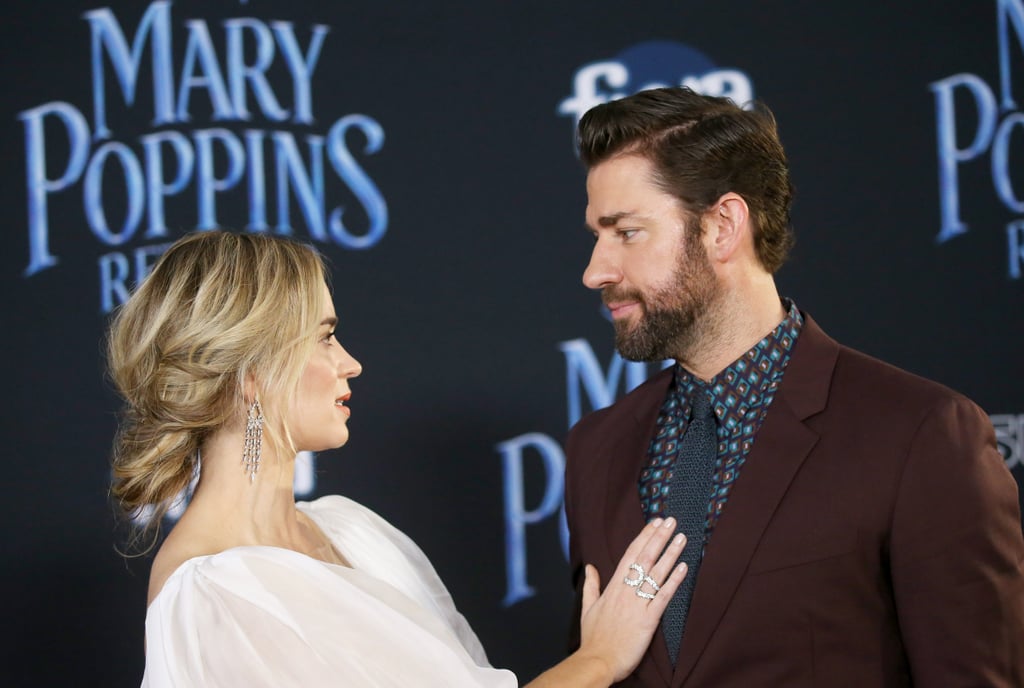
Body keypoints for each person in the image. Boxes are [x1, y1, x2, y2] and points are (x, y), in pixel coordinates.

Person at [563, 86, 1024, 687]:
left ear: (723, 226)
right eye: (597, 236)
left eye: (625, 232)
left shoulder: (919, 434)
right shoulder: (597, 448)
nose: (595, 270)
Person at [106, 230, 688, 687]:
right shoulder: (215, 588)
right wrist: (600, 659)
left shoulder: (351, 529)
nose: (350, 363)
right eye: (324, 337)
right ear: (251, 372)